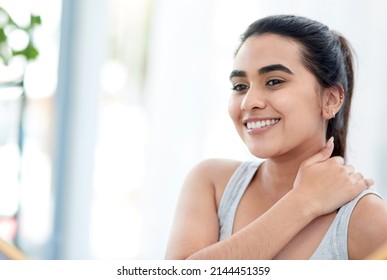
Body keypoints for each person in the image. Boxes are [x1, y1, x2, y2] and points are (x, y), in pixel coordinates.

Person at [165, 15, 387, 260]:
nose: (249, 102)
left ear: (331, 99)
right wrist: (302, 202)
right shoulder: (212, 183)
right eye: (240, 86)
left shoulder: (367, 219)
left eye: (274, 81)